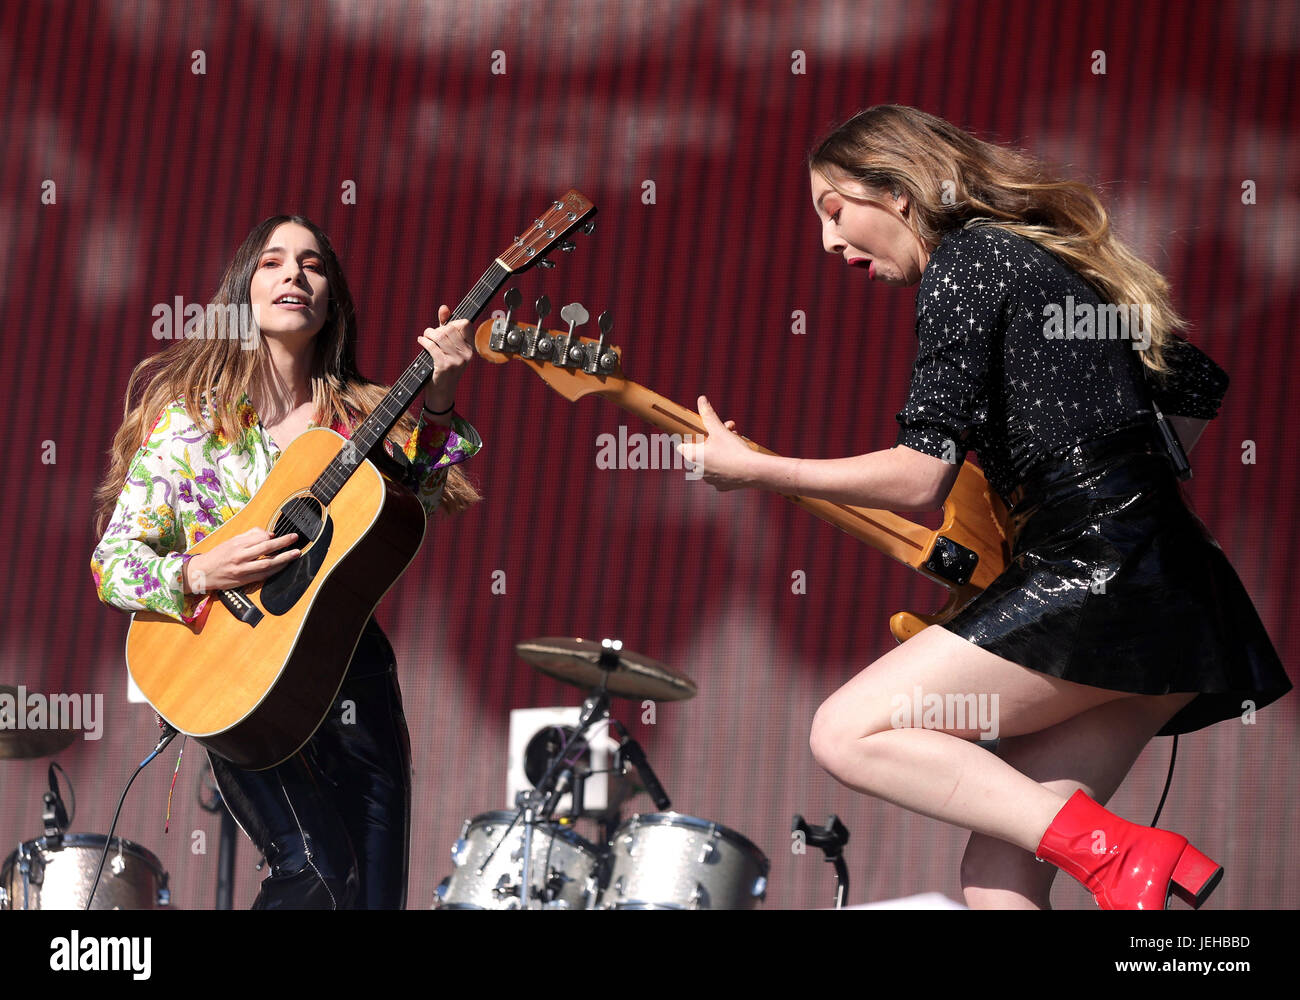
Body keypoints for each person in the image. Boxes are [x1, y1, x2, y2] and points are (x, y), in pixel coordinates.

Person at [680, 105, 1290, 910]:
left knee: (848, 731)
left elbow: (916, 476)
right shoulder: (1034, 260)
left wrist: (759, 471)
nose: (830, 243)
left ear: (899, 191)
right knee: (999, 882)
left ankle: (1121, 856)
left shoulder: (966, 260)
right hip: (1172, 595)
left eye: (835, 211)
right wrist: (1113, 487)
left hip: (1101, 576)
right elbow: (1195, 381)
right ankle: (1119, 858)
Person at [90, 214, 483, 909]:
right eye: (273, 262)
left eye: (313, 264)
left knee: (372, 897)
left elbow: (423, 494)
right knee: (317, 872)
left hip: (353, 672)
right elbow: (113, 564)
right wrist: (198, 572)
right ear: (246, 290)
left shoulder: (361, 418)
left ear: (331, 300)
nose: (294, 275)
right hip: (238, 682)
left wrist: (443, 396)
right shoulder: (189, 425)